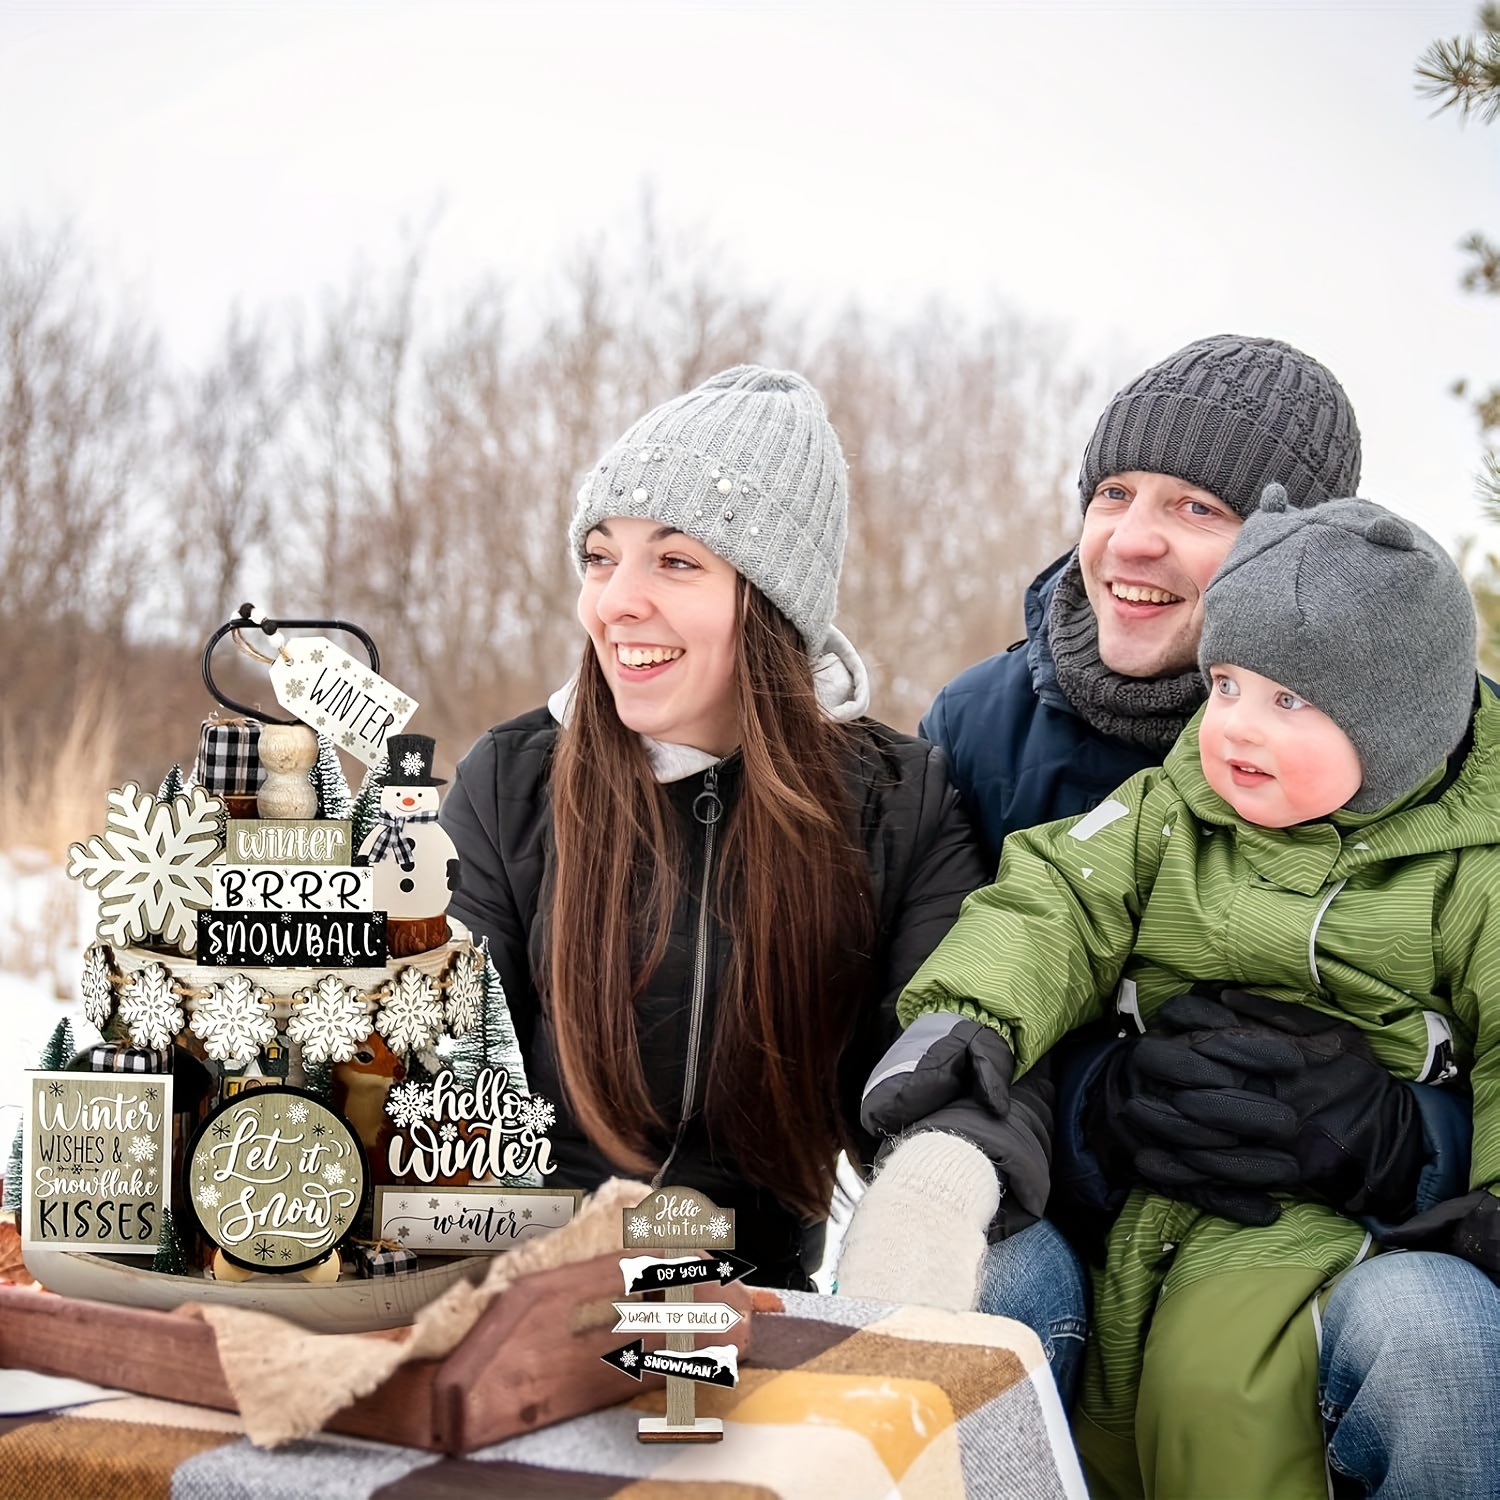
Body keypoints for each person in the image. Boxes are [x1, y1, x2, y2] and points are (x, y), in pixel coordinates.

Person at [854, 334, 1497, 1497]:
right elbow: (1033, 914)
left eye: (1195, 505)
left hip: (1360, 1232)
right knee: (984, 1300)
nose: (1131, 537)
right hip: (1099, 1216)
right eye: (1112, 492)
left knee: (1441, 1336)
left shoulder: (1455, 786)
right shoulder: (1004, 733)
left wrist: (1414, 1145)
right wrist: (1080, 1114)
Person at [438, 364, 990, 1290]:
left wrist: (932, 1196)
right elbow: (439, 1051)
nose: (615, 601)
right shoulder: (512, 780)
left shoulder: (898, 802)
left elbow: (943, 1056)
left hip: (752, 1311)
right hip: (517, 1297)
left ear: (769, 604)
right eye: (601, 556)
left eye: (676, 560)